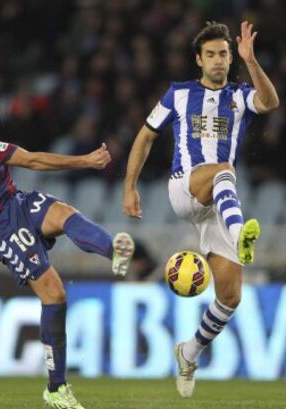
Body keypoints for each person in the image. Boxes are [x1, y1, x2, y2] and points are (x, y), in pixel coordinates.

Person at [0, 64, 135, 409]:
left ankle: (114, 251)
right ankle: (55, 389)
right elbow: (33, 161)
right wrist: (85, 161)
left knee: (64, 214)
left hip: (11, 200)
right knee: (54, 294)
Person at [122, 21, 279, 398]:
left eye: (224, 54)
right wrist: (129, 187)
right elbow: (145, 136)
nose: (218, 61)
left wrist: (251, 61)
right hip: (185, 187)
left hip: (217, 205)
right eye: (211, 54)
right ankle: (242, 235)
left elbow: (271, 102)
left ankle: (189, 352)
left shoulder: (240, 96)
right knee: (225, 171)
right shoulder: (178, 95)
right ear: (198, 59)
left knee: (230, 297)